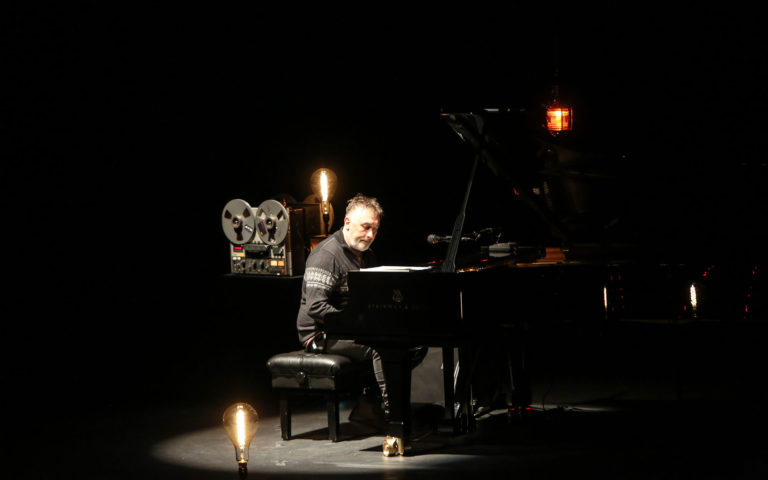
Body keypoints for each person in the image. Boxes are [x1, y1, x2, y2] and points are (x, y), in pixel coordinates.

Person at [296, 193, 426, 422]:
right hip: (321, 334)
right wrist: (357, 320)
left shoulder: (367, 256)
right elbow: (315, 307)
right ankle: (393, 412)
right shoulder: (326, 256)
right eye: (365, 227)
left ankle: (373, 399)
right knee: (381, 346)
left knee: (416, 343)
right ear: (347, 223)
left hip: (352, 327)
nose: (370, 235)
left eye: (375, 230)